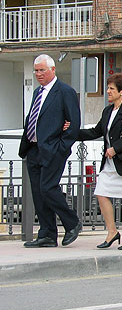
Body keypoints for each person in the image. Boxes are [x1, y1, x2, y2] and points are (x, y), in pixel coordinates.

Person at [77, 73, 122, 250]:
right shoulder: (108, 111)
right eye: (107, 88)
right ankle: (112, 232)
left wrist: (116, 148)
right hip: (110, 164)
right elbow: (96, 132)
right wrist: (71, 132)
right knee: (101, 193)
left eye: (111, 89)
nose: (107, 91)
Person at [19, 54, 82, 248]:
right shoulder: (38, 92)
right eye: (36, 70)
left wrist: (61, 147)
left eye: (42, 70)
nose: (38, 74)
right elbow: (36, 117)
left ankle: (72, 222)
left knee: (47, 187)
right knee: (38, 193)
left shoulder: (65, 91)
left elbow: (74, 124)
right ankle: (47, 233)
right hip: (34, 148)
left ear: (52, 70)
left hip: (53, 149)